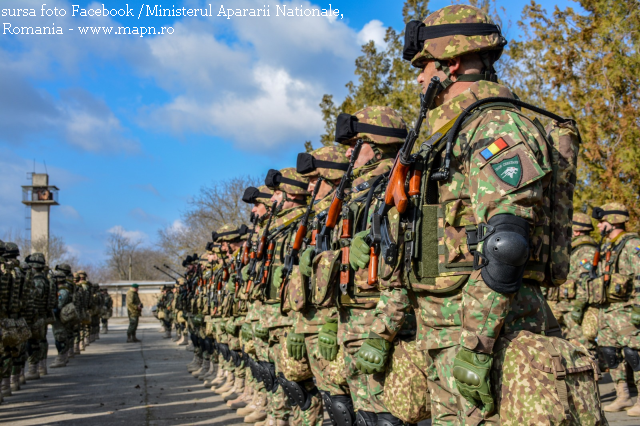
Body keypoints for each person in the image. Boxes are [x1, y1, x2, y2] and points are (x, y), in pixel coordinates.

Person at [349, 4, 603, 423]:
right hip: (442, 334)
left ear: (451, 63)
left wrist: (476, 344)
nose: (418, 79)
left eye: (423, 66)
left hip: (490, 335)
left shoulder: (495, 126)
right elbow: (431, 243)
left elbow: (507, 243)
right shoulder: (447, 137)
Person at [590, 203, 640, 416]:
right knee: (610, 353)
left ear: (614, 220)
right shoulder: (606, 247)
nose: (599, 225)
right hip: (608, 309)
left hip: (628, 309)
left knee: (634, 353)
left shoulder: (632, 244)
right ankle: (623, 395)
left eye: (602, 221)